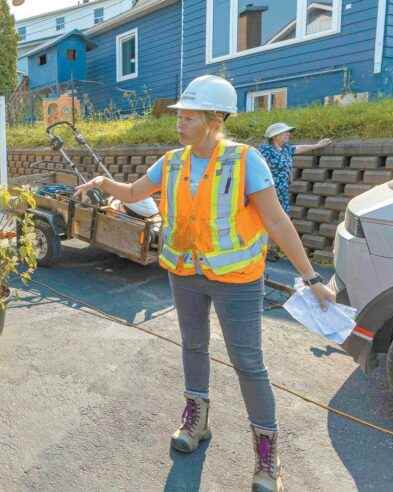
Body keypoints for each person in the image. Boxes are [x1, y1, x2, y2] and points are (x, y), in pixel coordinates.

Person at [74, 75, 335, 492]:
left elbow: (276, 220)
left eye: (189, 116)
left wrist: (312, 277)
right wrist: (104, 184)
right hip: (186, 274)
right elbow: (135, 190)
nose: (180, 122)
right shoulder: (172, 160)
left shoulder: (246, 160)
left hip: (238, 280)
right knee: (193, 346)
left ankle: (267, 455)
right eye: (180, 115)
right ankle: (197, 419)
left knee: (248, 363)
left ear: (215, 119)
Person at [259, 124, 331, 261]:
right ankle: (262, 249)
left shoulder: (286, 149)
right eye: (284, 133)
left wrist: (317, 145)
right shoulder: (265, 150)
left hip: (283, 192)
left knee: (280, 220)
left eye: (288, 133)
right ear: (274, 136)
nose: (288, 135)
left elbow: (300, 148)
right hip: (268, 192)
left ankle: (271, 249)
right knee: (266, 221)